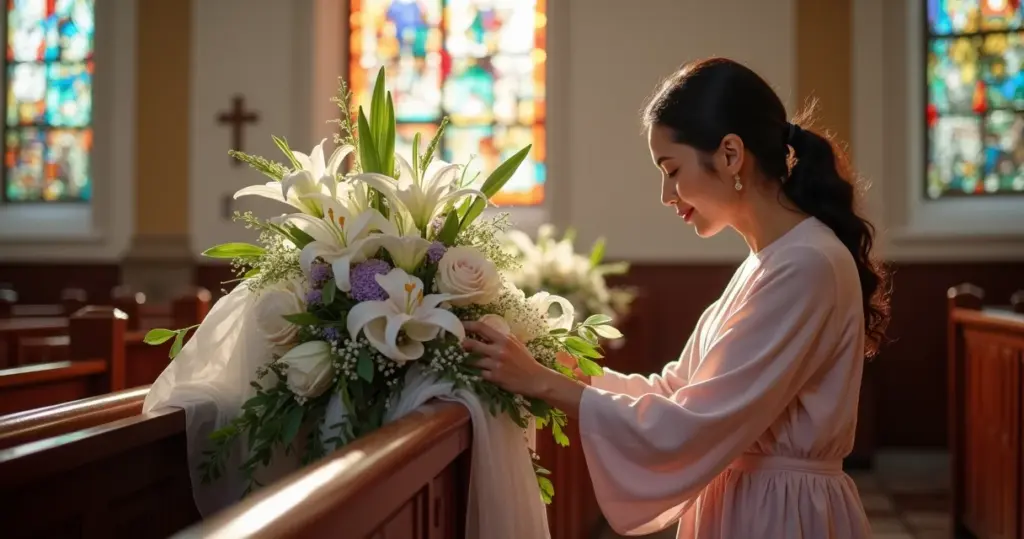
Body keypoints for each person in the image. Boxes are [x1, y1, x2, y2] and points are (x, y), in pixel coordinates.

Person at [461, 57, 891, 538]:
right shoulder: (771, 259)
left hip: (780, 516)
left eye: (671, 168)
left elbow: (693, 423)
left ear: (730, 154)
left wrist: (546, 384)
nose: (666, 194)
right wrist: (575, 372)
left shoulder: (806, 263)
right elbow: (679, 392)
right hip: (749, 502)